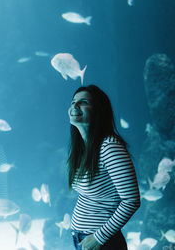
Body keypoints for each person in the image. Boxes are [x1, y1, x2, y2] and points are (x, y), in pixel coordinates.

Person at [67, 85, 141, 250]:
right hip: (85, 240)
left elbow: (132, 200)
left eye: (83, 102)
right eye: (73, 102)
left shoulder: (109, 146)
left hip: (103, 243)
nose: (74, 106)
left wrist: (99, 237)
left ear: (98, 111)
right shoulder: (83, 148)